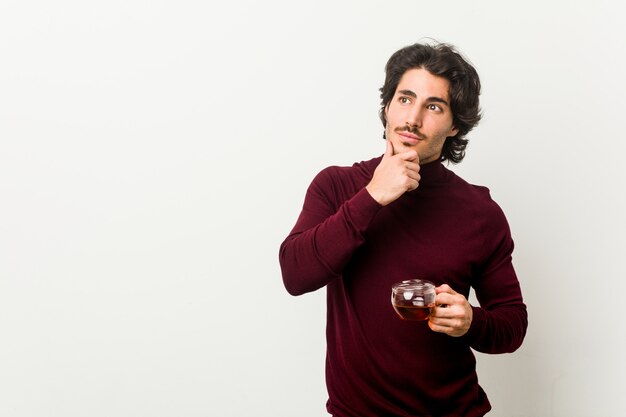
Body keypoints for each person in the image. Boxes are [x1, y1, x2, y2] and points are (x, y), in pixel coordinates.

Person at [278, 41, 527, 417]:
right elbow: (295, 275)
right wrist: (373, 196)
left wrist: (471, 322)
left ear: (455, 123)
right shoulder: (336, 186)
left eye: (433, 106)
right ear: (387, 107)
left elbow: (513, 323)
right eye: (405, 99)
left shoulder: (480, 211)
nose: (413, 119)